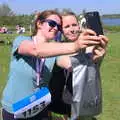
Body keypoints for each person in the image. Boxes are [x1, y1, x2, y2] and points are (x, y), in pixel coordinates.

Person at [1, 10, 101, 120]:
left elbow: (71, 64)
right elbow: (35, 50)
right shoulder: (21, 40)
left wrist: (92, 56)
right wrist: (75, 46)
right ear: (39, 24)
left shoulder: (54, 52)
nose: (55, 28)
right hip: (14, 110)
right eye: (52, 24)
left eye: (58, 26)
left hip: (40, 110)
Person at [49, 11, 108, 120]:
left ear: (79, 26)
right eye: (66, 26)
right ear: (61, 30)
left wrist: (99, 58)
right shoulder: (56, 47)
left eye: (74, 25)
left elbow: (94, 71)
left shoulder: (90, 47)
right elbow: (66, 62)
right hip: (60, 102)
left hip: (82, 99)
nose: (72, 29)